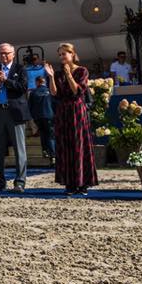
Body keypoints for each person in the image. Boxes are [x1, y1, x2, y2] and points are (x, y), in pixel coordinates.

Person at [45, 44, 98, 195]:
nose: (62, 57)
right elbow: (55, 93)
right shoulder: (59, 73)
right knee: (65, 145)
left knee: (78, 144)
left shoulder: (82, 71)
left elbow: (77, 91)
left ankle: (82, 184)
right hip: (63, 112)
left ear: (72, 54)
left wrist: (69, 75)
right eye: (60, 55)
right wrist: (51, 77)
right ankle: (69, 183)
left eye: (64, 54)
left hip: (77, 111)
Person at [0, 42, 31, 193]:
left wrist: (6, 81)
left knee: (19, 149)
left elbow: (22, 87)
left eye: (6, 53)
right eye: (1, 53)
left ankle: (20, 182)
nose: (4, 56)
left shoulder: (20, 69)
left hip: (15, 113)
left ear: (13, 54)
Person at [29, 76, 56, 160]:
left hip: (38, 117)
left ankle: (45, 151)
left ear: (37, 82)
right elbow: (54, 104)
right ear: (44, 82)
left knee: (43, 134)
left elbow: (30, 106)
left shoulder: (33, 92)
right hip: (49, 116)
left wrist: (33, 116)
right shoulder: (50, 91)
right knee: (50, 135)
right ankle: (53, 154)